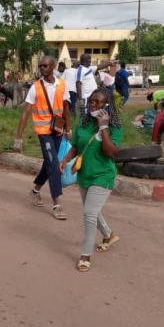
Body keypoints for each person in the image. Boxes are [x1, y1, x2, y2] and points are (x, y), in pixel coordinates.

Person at [59, 88, 121, 272]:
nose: (93, 105)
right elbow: (77, 146)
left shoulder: (115, 127)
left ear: (107, 105)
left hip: (103, 175)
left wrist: (104, 127)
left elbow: (111, 152)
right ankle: (109, 235)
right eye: (91, 101)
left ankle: (85, 255)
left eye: (99, 102)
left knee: (89, 213)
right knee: (91, 210)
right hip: (84, 174)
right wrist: (65, 160)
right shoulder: (84, 123)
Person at [13, 55, 71, 220]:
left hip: (58, 130)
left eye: (45, 66)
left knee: (49, 162)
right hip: (43, 131)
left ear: (53, 66)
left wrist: (69, 128)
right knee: (53, 163)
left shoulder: (62, 85)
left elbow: (66, 108)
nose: (42, 68)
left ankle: (35, 191)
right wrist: (18, 138)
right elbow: (25, 112)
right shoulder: (35, 87)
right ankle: (57, 204)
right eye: (40, 66)